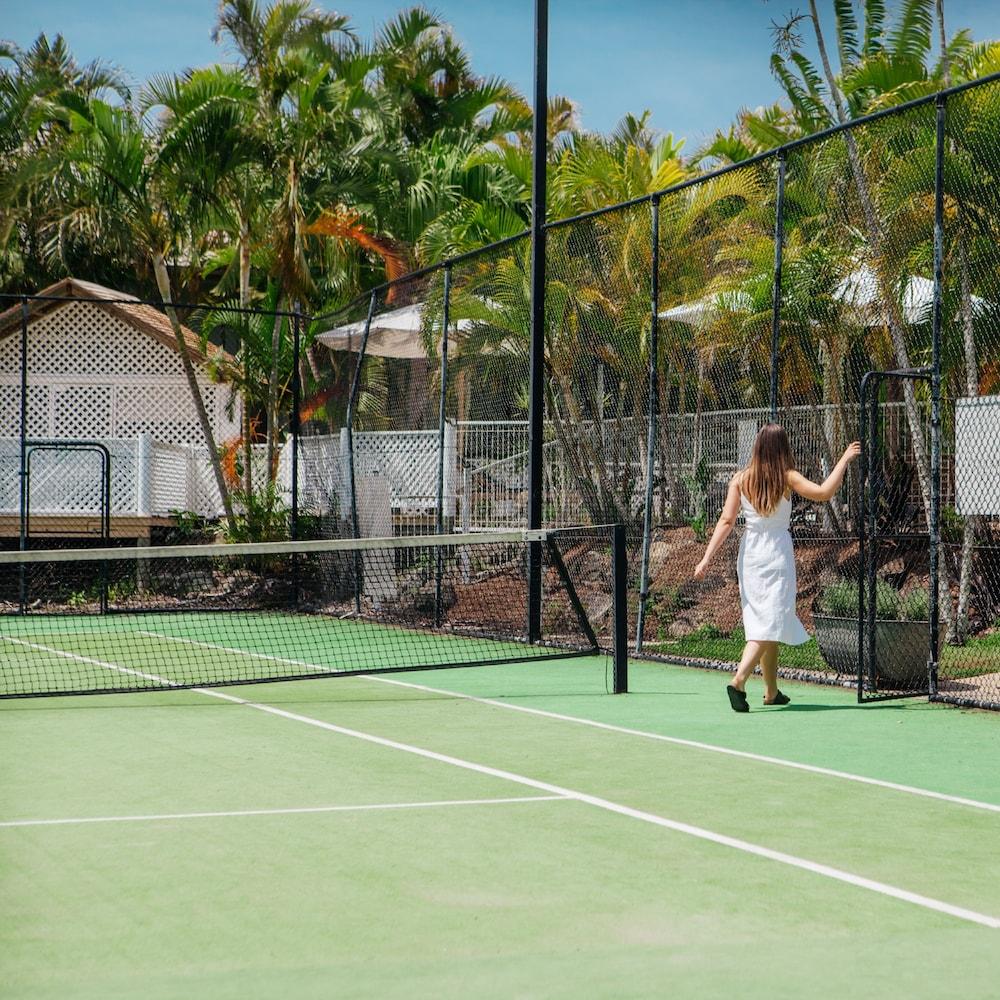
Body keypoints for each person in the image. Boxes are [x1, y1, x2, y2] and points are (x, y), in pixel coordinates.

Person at [693, 424, 860, 712]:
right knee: (769, 622)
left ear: (757, 446)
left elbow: (725, 521)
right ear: (782, 448)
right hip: (776, 554)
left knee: (765, 620)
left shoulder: (741, 479)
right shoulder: (787, 477)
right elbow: (823, 493)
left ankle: (771, 691)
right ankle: (739, 681)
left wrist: (706, 557)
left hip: (750, 555)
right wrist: (844, 460)